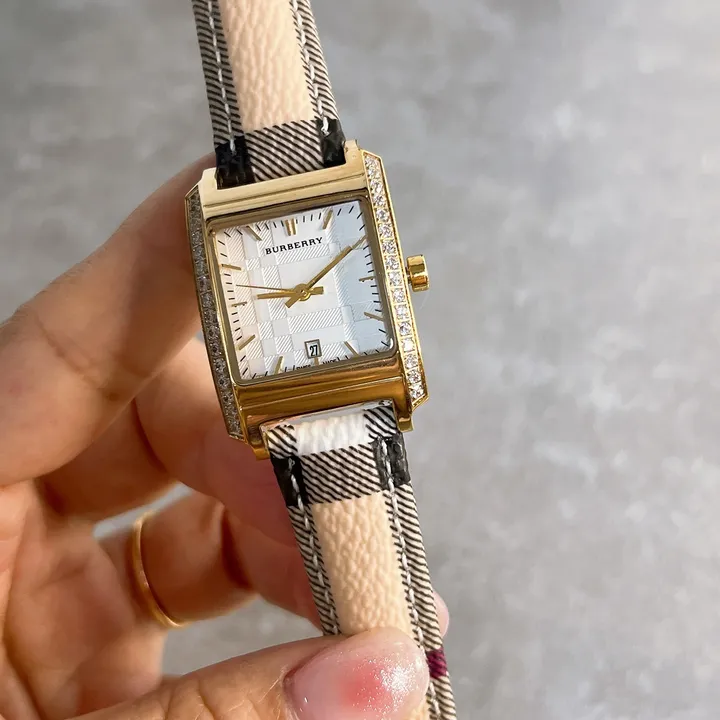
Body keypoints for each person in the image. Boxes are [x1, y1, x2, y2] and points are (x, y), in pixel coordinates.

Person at [0, 158, 449, 720]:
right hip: (315, 398)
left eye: (307, 290)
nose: (302, 296)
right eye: (297, 293)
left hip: (349, 391)